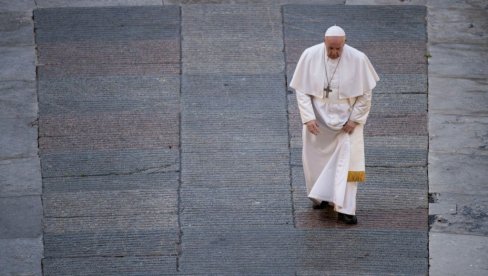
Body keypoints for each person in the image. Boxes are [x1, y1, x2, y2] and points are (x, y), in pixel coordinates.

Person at [289, 25, 379, 225]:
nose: (334, 53)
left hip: (347, 124)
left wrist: (355, 119)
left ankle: (346, 208)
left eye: (338, 49)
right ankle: (320, 196)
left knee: (348, 165)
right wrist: (308, 117)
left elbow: (366, 94)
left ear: (344, 43)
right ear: (324, 42)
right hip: (318, 122)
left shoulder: (358, 59)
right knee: (316, 163)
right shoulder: (310, 55)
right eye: (330, 48)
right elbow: (302, 90)